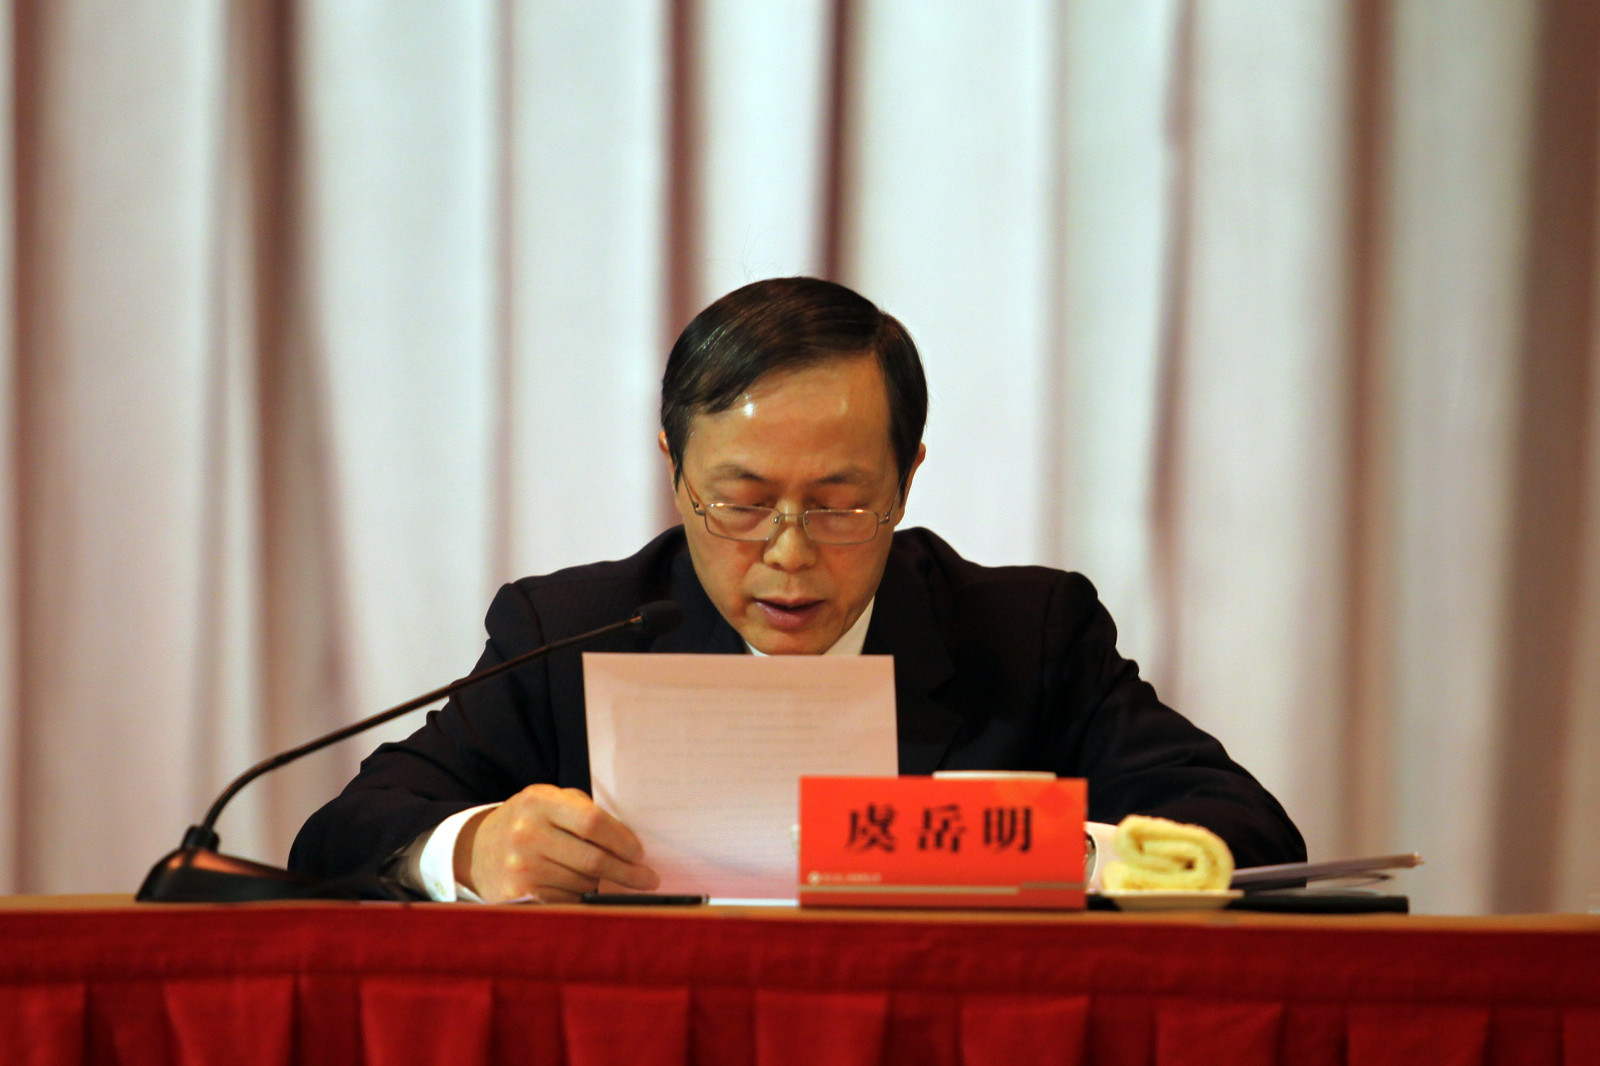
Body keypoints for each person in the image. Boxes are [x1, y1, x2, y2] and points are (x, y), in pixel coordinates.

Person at [289, 276, 1305, 902]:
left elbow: (1252, 838)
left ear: (907, 478)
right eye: (740, 503)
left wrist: (1030, 849)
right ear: (674, 472)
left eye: (839, 503)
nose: (788, 552)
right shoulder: (573, 632)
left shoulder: (1024, 634)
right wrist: (471, 848)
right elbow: (342, 834)